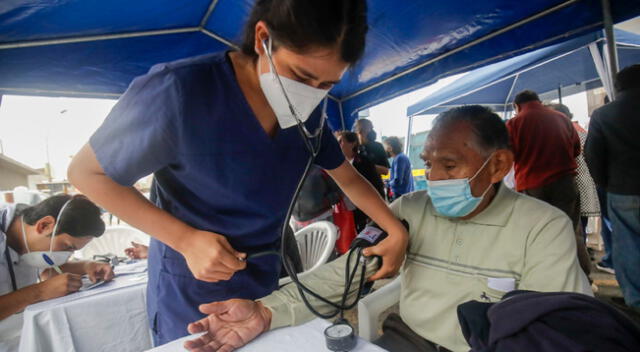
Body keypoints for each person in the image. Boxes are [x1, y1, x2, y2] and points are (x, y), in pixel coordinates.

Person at [67, 0, 409, 344]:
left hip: (263, 283)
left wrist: (394, 228)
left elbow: (346, 177)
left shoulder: (311, 116)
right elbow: (86, 173)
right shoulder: (180, 91)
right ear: (263, 39)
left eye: (327, 85)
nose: (310, 95)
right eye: (302, 76)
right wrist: (184, 240)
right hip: (194, 287)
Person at [182, 106, 591, 352]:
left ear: (499, 166)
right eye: (428, 163)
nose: (433, 178)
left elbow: (556, 331)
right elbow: (346, 273)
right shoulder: (408, 211)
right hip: (405, 341)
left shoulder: (542, 227)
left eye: (449, 165)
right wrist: (267, 310)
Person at [0, 195, 111, 348]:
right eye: (67, 247)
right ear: (44, 225)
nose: (67, 255)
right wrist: (40, 291)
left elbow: (46, 267)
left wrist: (86, 265)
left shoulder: (25, 231)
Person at [506, 90, 590, 276]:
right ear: (539, 101)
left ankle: (550, 276)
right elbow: (576, 150)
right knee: (570, 229)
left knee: (538, 232)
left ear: (517, 106)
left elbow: (509, 155)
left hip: (532, 185)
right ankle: (582, 274)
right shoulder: (561, 118)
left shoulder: (514, 124)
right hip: (565, 182)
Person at [585, 64, 640, 311]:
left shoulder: (604, 115)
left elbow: (593, 157)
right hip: (621, 187)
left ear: (617, 87)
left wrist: (605, 184)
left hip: (622, 191)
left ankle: (635, 301)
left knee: (628, 246)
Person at [336, 131, 385, 231]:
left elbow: (376, 185)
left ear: (352, 143)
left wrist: (377, 211)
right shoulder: (339, 165)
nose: (338, 144)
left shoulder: (364, 162)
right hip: (349, 211)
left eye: (341, 141)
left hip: (366, 211)